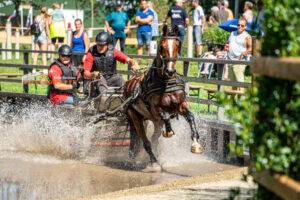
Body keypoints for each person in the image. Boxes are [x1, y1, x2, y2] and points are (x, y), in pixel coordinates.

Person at [83, 32, 139, 96]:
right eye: (98, 44)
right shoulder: (91, 52)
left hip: (112, 77)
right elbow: (86, 73)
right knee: (101, 83)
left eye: (102, 45)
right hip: (97, 78)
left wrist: (133, 63)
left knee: (121, 81)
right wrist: (93, 74)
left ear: (107, 44)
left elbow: (127, 59)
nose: (99, 47)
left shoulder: (113, 51)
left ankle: (124, 102)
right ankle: (105, 101)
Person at [225, 18, 252, 92]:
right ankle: (233, 102)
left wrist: (243, 54)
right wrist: (226, 46)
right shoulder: (232, 33)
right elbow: (228, 43)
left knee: (240, 85)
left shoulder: (247, 36)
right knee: (233, 85)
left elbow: (250, 48)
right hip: (230, 60)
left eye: (242, 25)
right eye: (238, 25)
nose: (240, 26)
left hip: (240, 61)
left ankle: (242, 101)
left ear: (245, 27)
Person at [32, 7, 50, 74]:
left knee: (36, 54)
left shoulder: (36, 17)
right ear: (46, 12)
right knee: (44, 54)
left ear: (40, 11)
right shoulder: (45, 19)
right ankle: (44, 70)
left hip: (36, 36)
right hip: (43, 36)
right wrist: (49, 38)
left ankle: (33, 70)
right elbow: (47, 29)